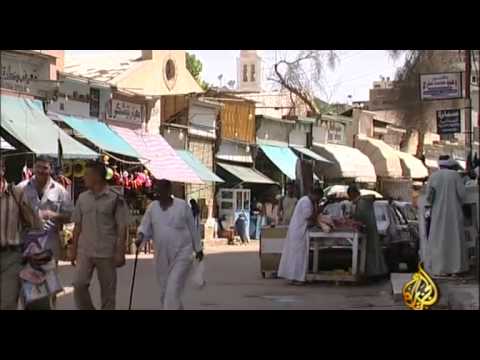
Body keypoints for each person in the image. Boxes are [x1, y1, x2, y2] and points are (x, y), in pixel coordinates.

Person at [136, 179, 203, 310]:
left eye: (161, 191)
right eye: (157, 192)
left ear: (168, 191)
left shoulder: (182, 206)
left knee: (172, 288)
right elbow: (145, 226)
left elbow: (192, 228)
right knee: (165, 291)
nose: (158, 194)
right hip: (161, 256)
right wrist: (140, 237)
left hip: (182, 254)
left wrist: (198, 248)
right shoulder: (152, 208)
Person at [70, 160, 128, 310]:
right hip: (85, 251)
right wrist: (73, 249)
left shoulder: (115, 198)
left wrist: (120, 252)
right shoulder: (82, 198)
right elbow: (77, 226)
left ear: (97, 176)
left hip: (106, 252)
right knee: (78, 285)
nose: (83, 178)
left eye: (87, 174)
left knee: (108, 295)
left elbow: (122, 226)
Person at [17, 155, 73, 310]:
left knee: (48, 290)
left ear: (51, 170)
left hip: (50, 247)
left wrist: (53, 215)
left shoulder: (61, 191)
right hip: (26, 247)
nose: (41, 171)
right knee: (28, 290)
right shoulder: (20, 188)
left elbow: (71, 216)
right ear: (33, 168)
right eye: (39, 167)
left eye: (45, 168)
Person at [424, 157, 467, 276]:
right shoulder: (455, 176)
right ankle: (455, 269)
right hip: (454, 213)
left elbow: (429, 197)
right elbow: (462, 195)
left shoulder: (433, 177)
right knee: (454, 240)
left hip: (437, 214)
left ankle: (440, 269)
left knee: (439, 241)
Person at [277, 186, 323, 285]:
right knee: (299, 256)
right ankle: (297, 278)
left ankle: (294, 277)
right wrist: (318, 210)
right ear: (315, 195)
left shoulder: (306, 201)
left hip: (299, 230)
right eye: (318, 198)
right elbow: (309, 216)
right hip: (298, 231)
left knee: (295, 255)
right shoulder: (306, 201)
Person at [347, 184, 388, 279]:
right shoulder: (362, 202)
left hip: (368, 231)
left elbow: (361, 217)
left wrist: (353, 218)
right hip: (369, 230)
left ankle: (373, 273)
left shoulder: (362, 203)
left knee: (370, 253)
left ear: (353, 194)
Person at [0, 160, 25, 310]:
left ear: (3, 169)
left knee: (8, 303)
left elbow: (34, 224)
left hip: (11, 256)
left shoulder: (17, 193)